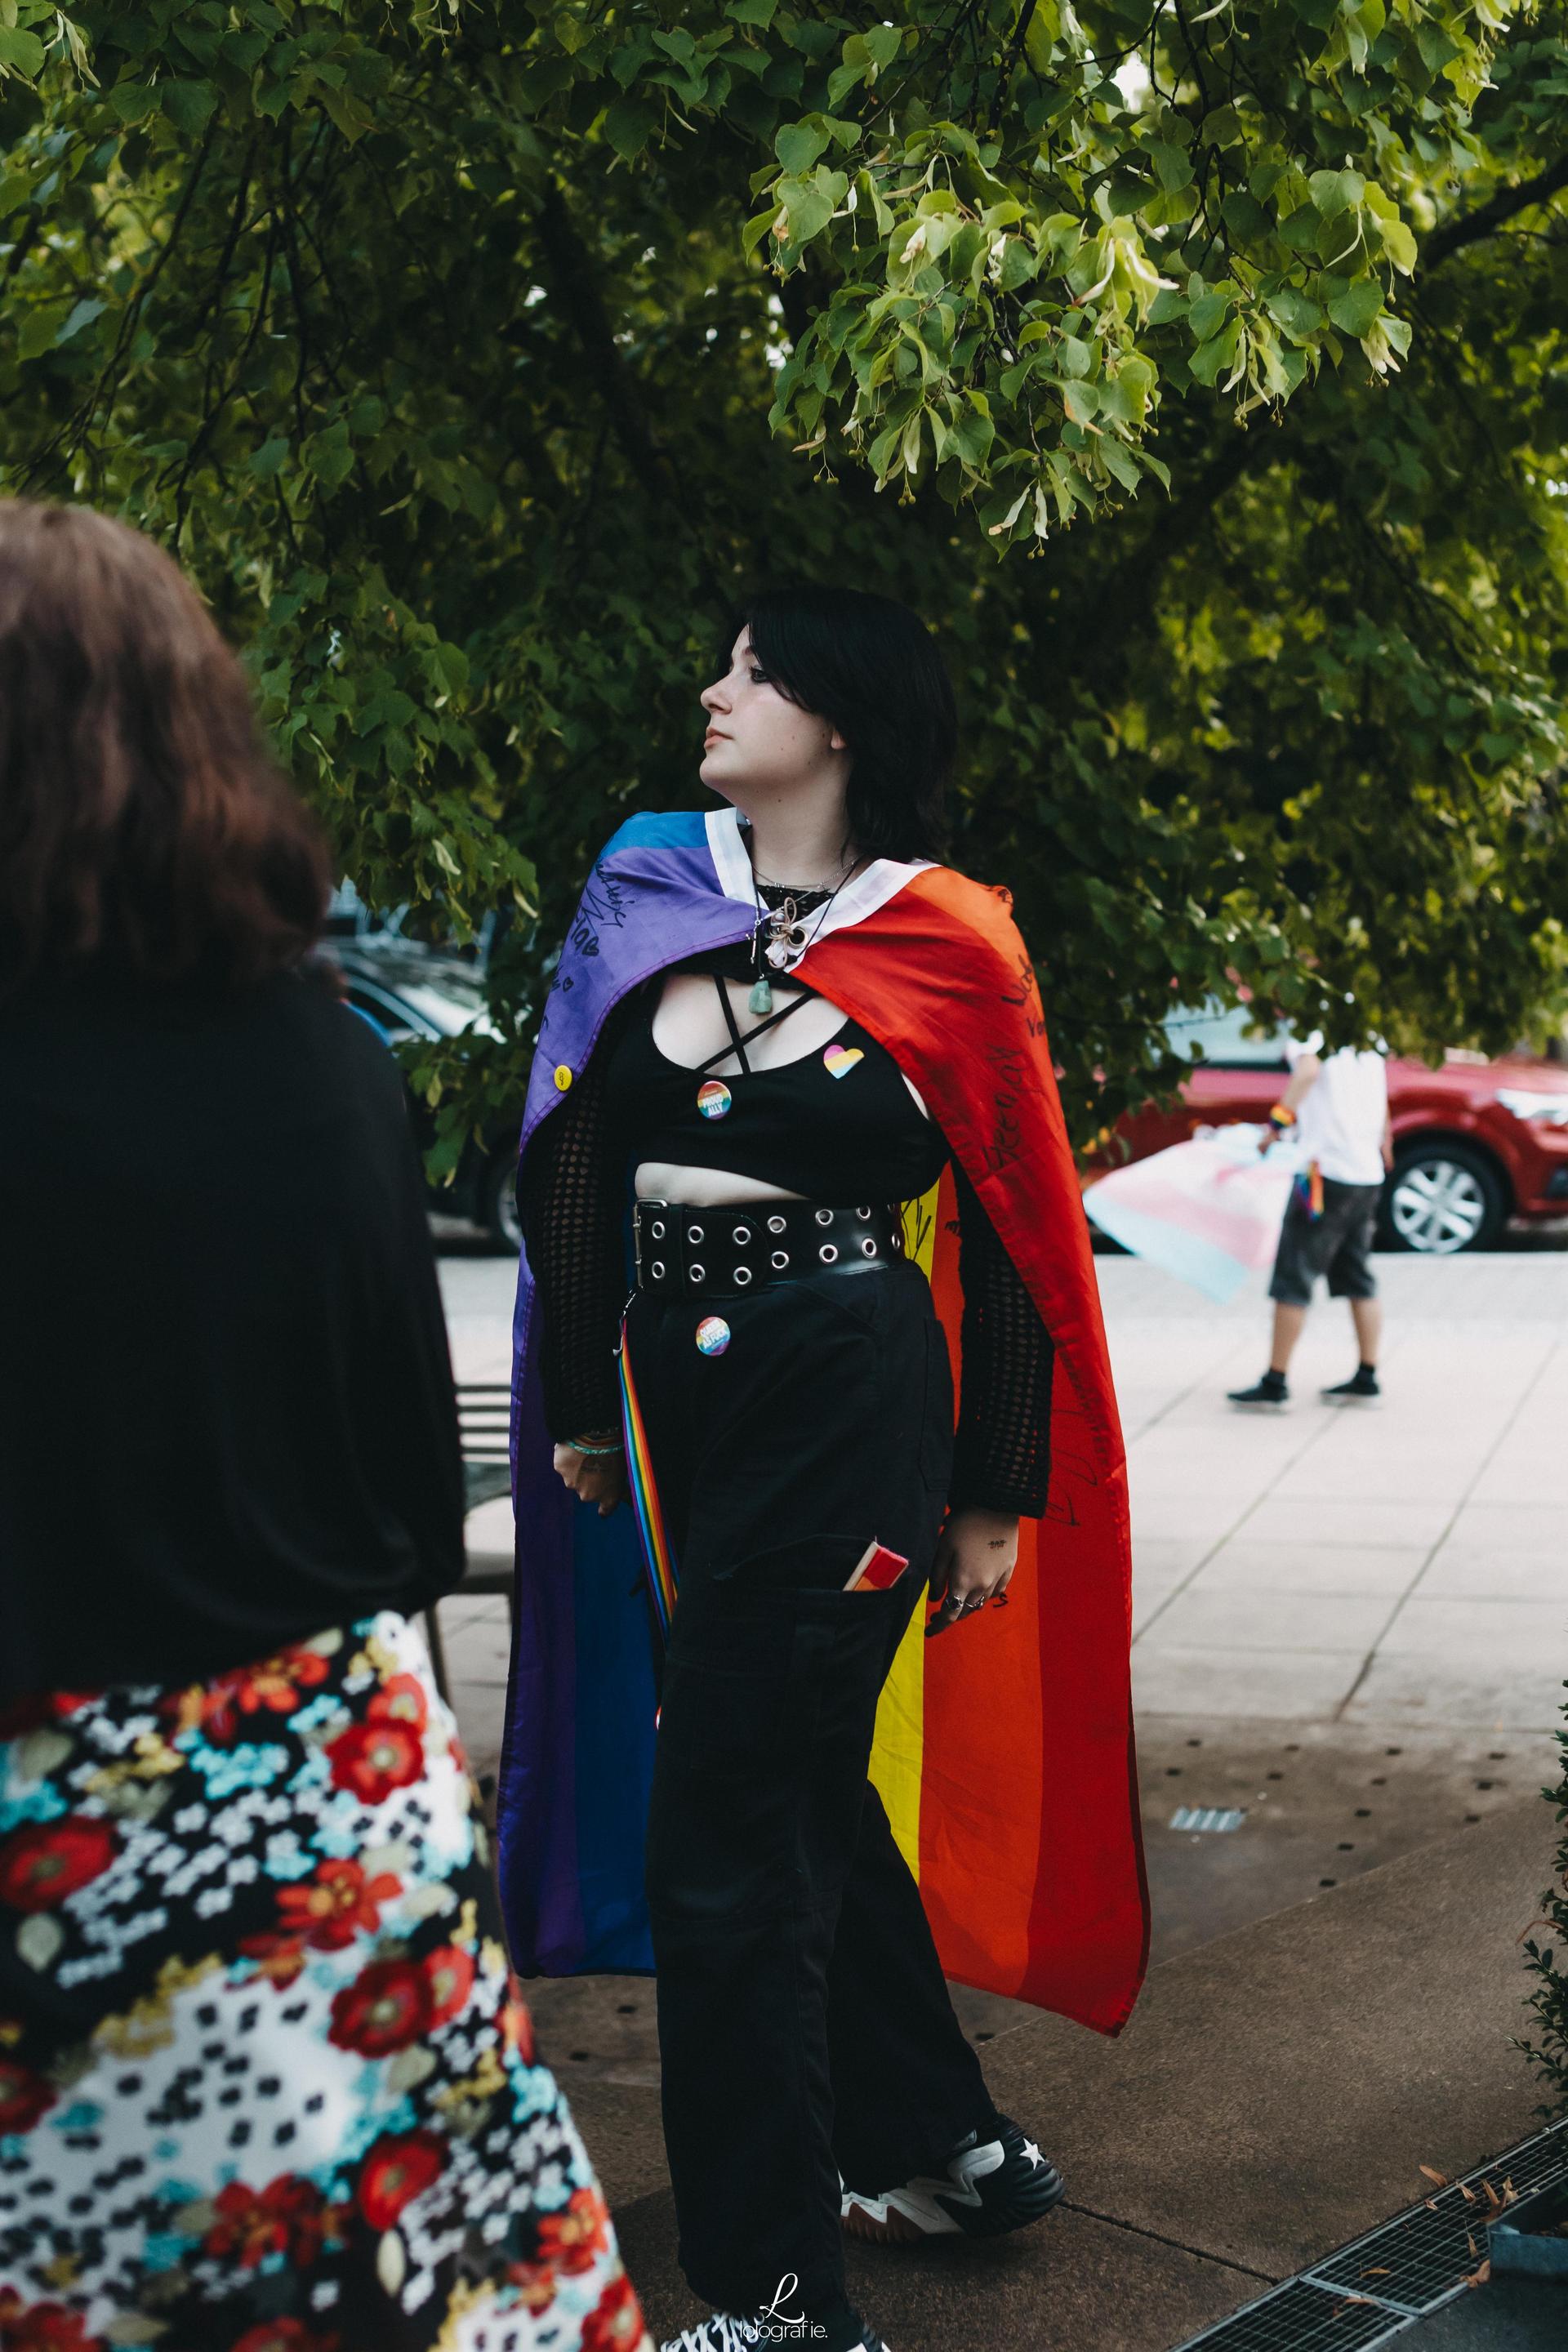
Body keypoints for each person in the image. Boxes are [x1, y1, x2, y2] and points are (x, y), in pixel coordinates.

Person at [0, 500, 650, 2352]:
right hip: (332, 1795)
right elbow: (403, 1509)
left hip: (61, 1828)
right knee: (381, 2290)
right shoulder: (325, 1055)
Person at [505, 587, 1148, 2352]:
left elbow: (1020, 1227)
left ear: (844, 721)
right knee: (783, 1772)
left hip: (850, 1389)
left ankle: (779, 2294)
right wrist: (571, 1401)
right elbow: (570, 1156)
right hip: (671, 1403)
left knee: (722, 1826)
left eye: (756, 670)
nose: (713, 691)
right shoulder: (647, 874)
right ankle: (945, 2145)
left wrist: (994, 1489)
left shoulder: (953, 939)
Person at [1227, 1035, 1393, 1410]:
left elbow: (1307, 1071)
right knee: (1358, 1275)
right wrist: (1385, 1138)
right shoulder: (1364, 1023)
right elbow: (1378, 1088)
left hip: (1324, 1172)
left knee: (1294, 1274)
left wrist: (1275, 1126)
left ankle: (1274, 1382)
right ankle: (1367, 1376)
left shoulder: (1311, 1024)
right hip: (1365, 1172)